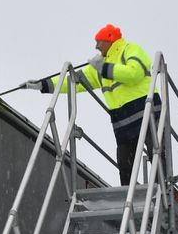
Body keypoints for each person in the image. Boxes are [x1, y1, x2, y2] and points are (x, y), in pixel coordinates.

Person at [25, 25, 156, 186]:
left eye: (98, 42)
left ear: (109, 39)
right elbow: (73, 81)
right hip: (123, 120)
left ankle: (159, 189)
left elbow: (134, 74)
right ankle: (129, 196)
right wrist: (42, 85)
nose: (96, 46)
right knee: (124, 164)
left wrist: (103, 68)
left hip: (145, 109)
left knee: (155, 151)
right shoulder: (100, 66)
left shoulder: (131, 49)